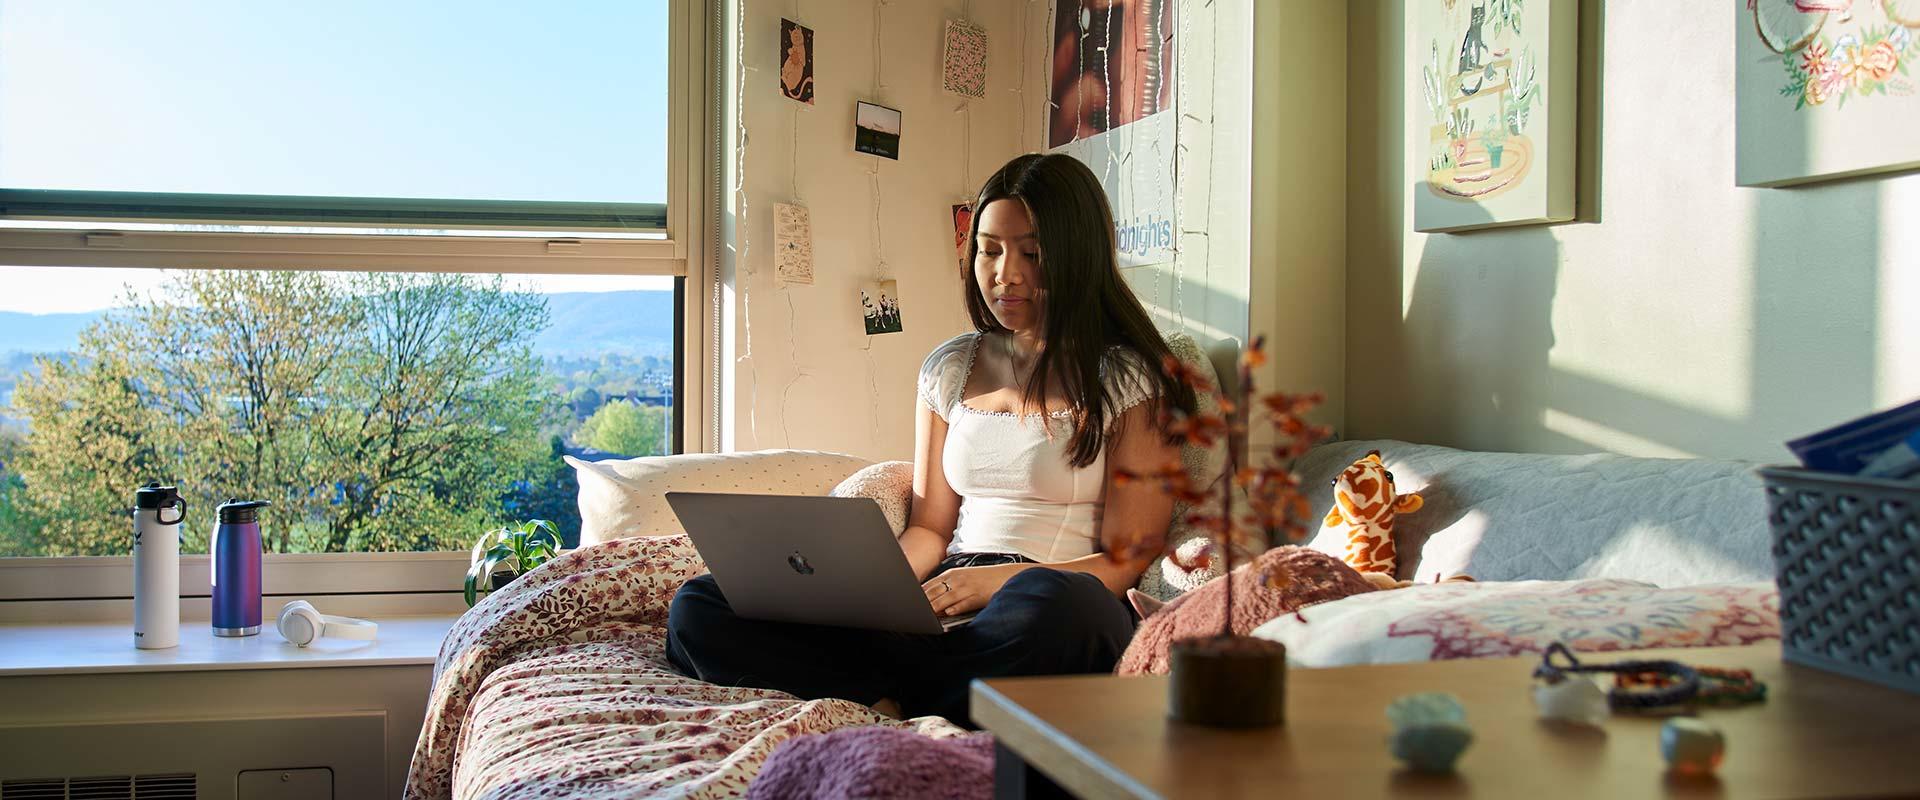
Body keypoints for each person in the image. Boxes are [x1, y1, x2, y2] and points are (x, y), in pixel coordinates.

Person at [665, 153, 1197, 724]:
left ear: (1077, 255)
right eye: (990, 249)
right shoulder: (949, 368)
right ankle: (902, 696)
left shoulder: (1128, 379)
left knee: (1064, 611)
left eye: (1032, 253)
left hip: (1045, 601)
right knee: (700, 604)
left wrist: (1002, 580)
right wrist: (874, 593)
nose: (1005, 273)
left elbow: (1128, 557)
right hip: (948, 604)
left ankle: (871, 691)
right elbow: (929, 528)